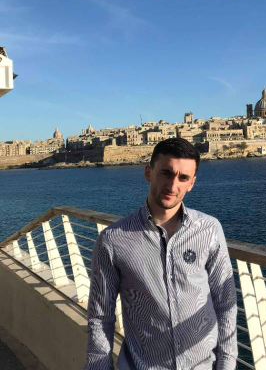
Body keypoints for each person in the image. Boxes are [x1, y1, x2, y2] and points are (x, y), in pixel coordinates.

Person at [84, 138, 237, 370]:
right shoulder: (112, 240)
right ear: (149, 173)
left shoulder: (209, 229)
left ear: (192, 183)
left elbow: (225, 302)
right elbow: (100, 317)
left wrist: (226, 364)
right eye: (166, 173)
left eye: (183, 178)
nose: (173, 186)